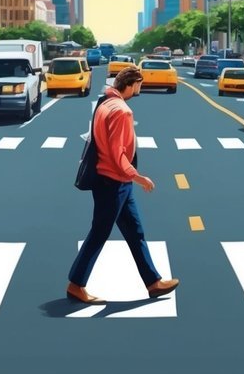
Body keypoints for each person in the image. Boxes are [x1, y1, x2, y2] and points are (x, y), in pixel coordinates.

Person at [67, 66, 179, 305]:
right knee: (99, 233)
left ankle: (153, 282)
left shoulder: (104, 103)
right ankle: (76, 285)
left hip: (116, 183)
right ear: (131, 84)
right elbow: (118, 154)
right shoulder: (122, 112)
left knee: (134, 232)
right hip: (113, 182)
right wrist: (139, 177)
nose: (140, 89)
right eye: (139, 84)